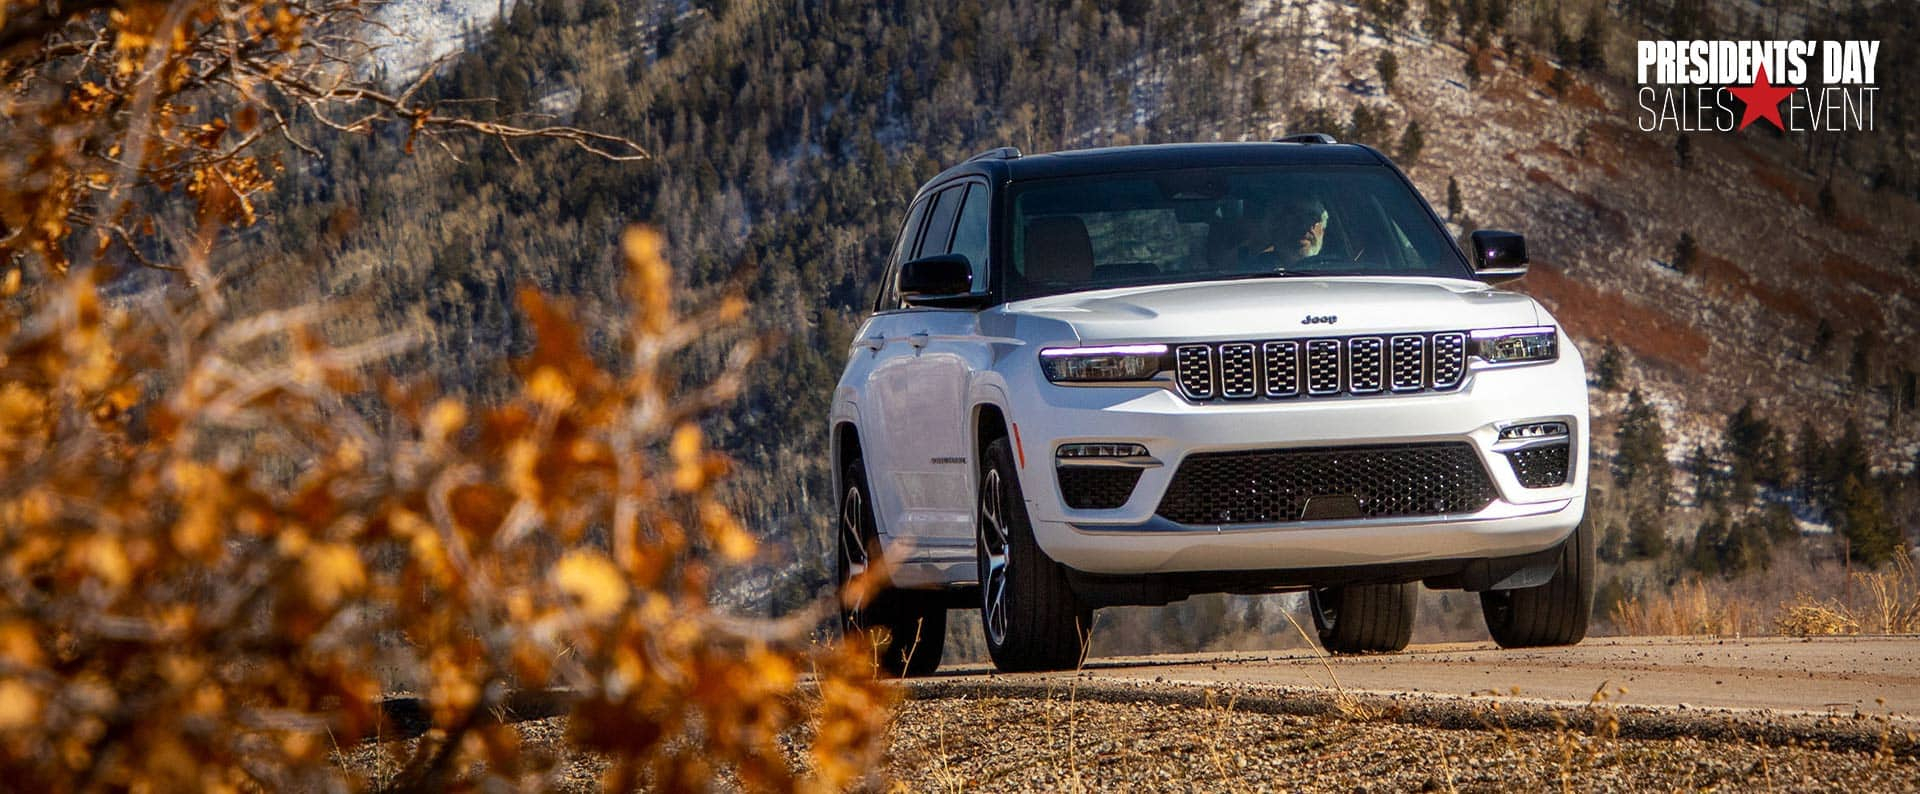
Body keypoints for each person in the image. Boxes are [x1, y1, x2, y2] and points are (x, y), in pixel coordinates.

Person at [1240, 197, 1328, 270]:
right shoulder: (1251, 271)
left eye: (1312, 217)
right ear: (1275, 225)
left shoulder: (1334, 271)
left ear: (1323, 230)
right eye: (1295, 217)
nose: (1304, 225)